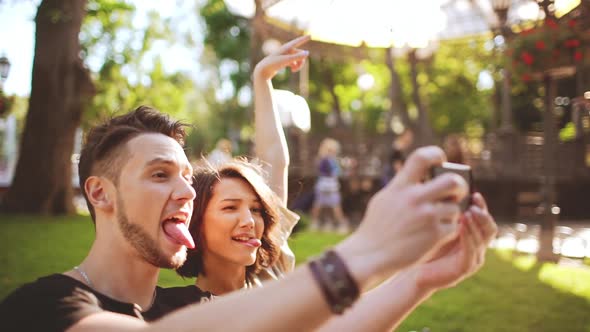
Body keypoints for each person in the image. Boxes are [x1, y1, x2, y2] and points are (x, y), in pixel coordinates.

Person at [164, 36, 498, 331]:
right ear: (196, 225)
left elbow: (275, 163)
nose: (250, 220)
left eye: (255, 208)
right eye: (229, 207)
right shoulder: (171, 311)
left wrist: (262, 80)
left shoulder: (272, 275)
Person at [310, 137, 350, 233]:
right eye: (329, 150)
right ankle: (314, 223)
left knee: (335, 206)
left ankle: (341, 224)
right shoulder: (323, 160)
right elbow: (330, 171)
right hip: (323, 185)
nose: (331, 152)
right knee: (318, 205)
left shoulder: (333, 160)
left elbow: (338, 172)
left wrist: (345, 168)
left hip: (332, 186)